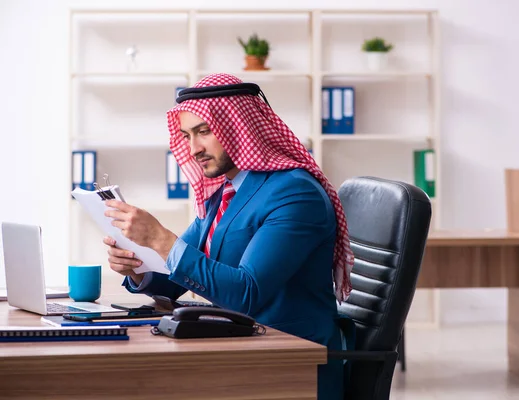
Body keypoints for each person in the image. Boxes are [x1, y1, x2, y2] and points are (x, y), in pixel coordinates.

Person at [102, 73, 354, 399]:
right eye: (187, 136)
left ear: (239, 127)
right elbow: (176, 279)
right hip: (242, 348)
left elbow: (246, 293)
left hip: (291, 365)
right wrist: (137, 266)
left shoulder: (294, 194)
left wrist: (161, 239)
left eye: (203, 132)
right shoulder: (225, 193)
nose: (193, 148)